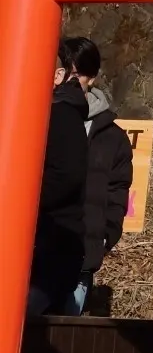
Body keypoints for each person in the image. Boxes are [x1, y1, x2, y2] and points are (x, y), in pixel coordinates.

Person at [58, 37, 133, 315]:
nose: (69, 81)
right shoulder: (39, 118)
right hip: (37, 249)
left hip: (82, 252)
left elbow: (118, 189)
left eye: (76, 75)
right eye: (64, 72)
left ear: (92, 78)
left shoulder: (113, 137)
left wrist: (106, 235)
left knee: (65, 331)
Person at [27, 45, 90, 316]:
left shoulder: (62, 113)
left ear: (58, 75)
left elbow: (67, 175)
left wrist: (23, 202)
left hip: (51, 245)